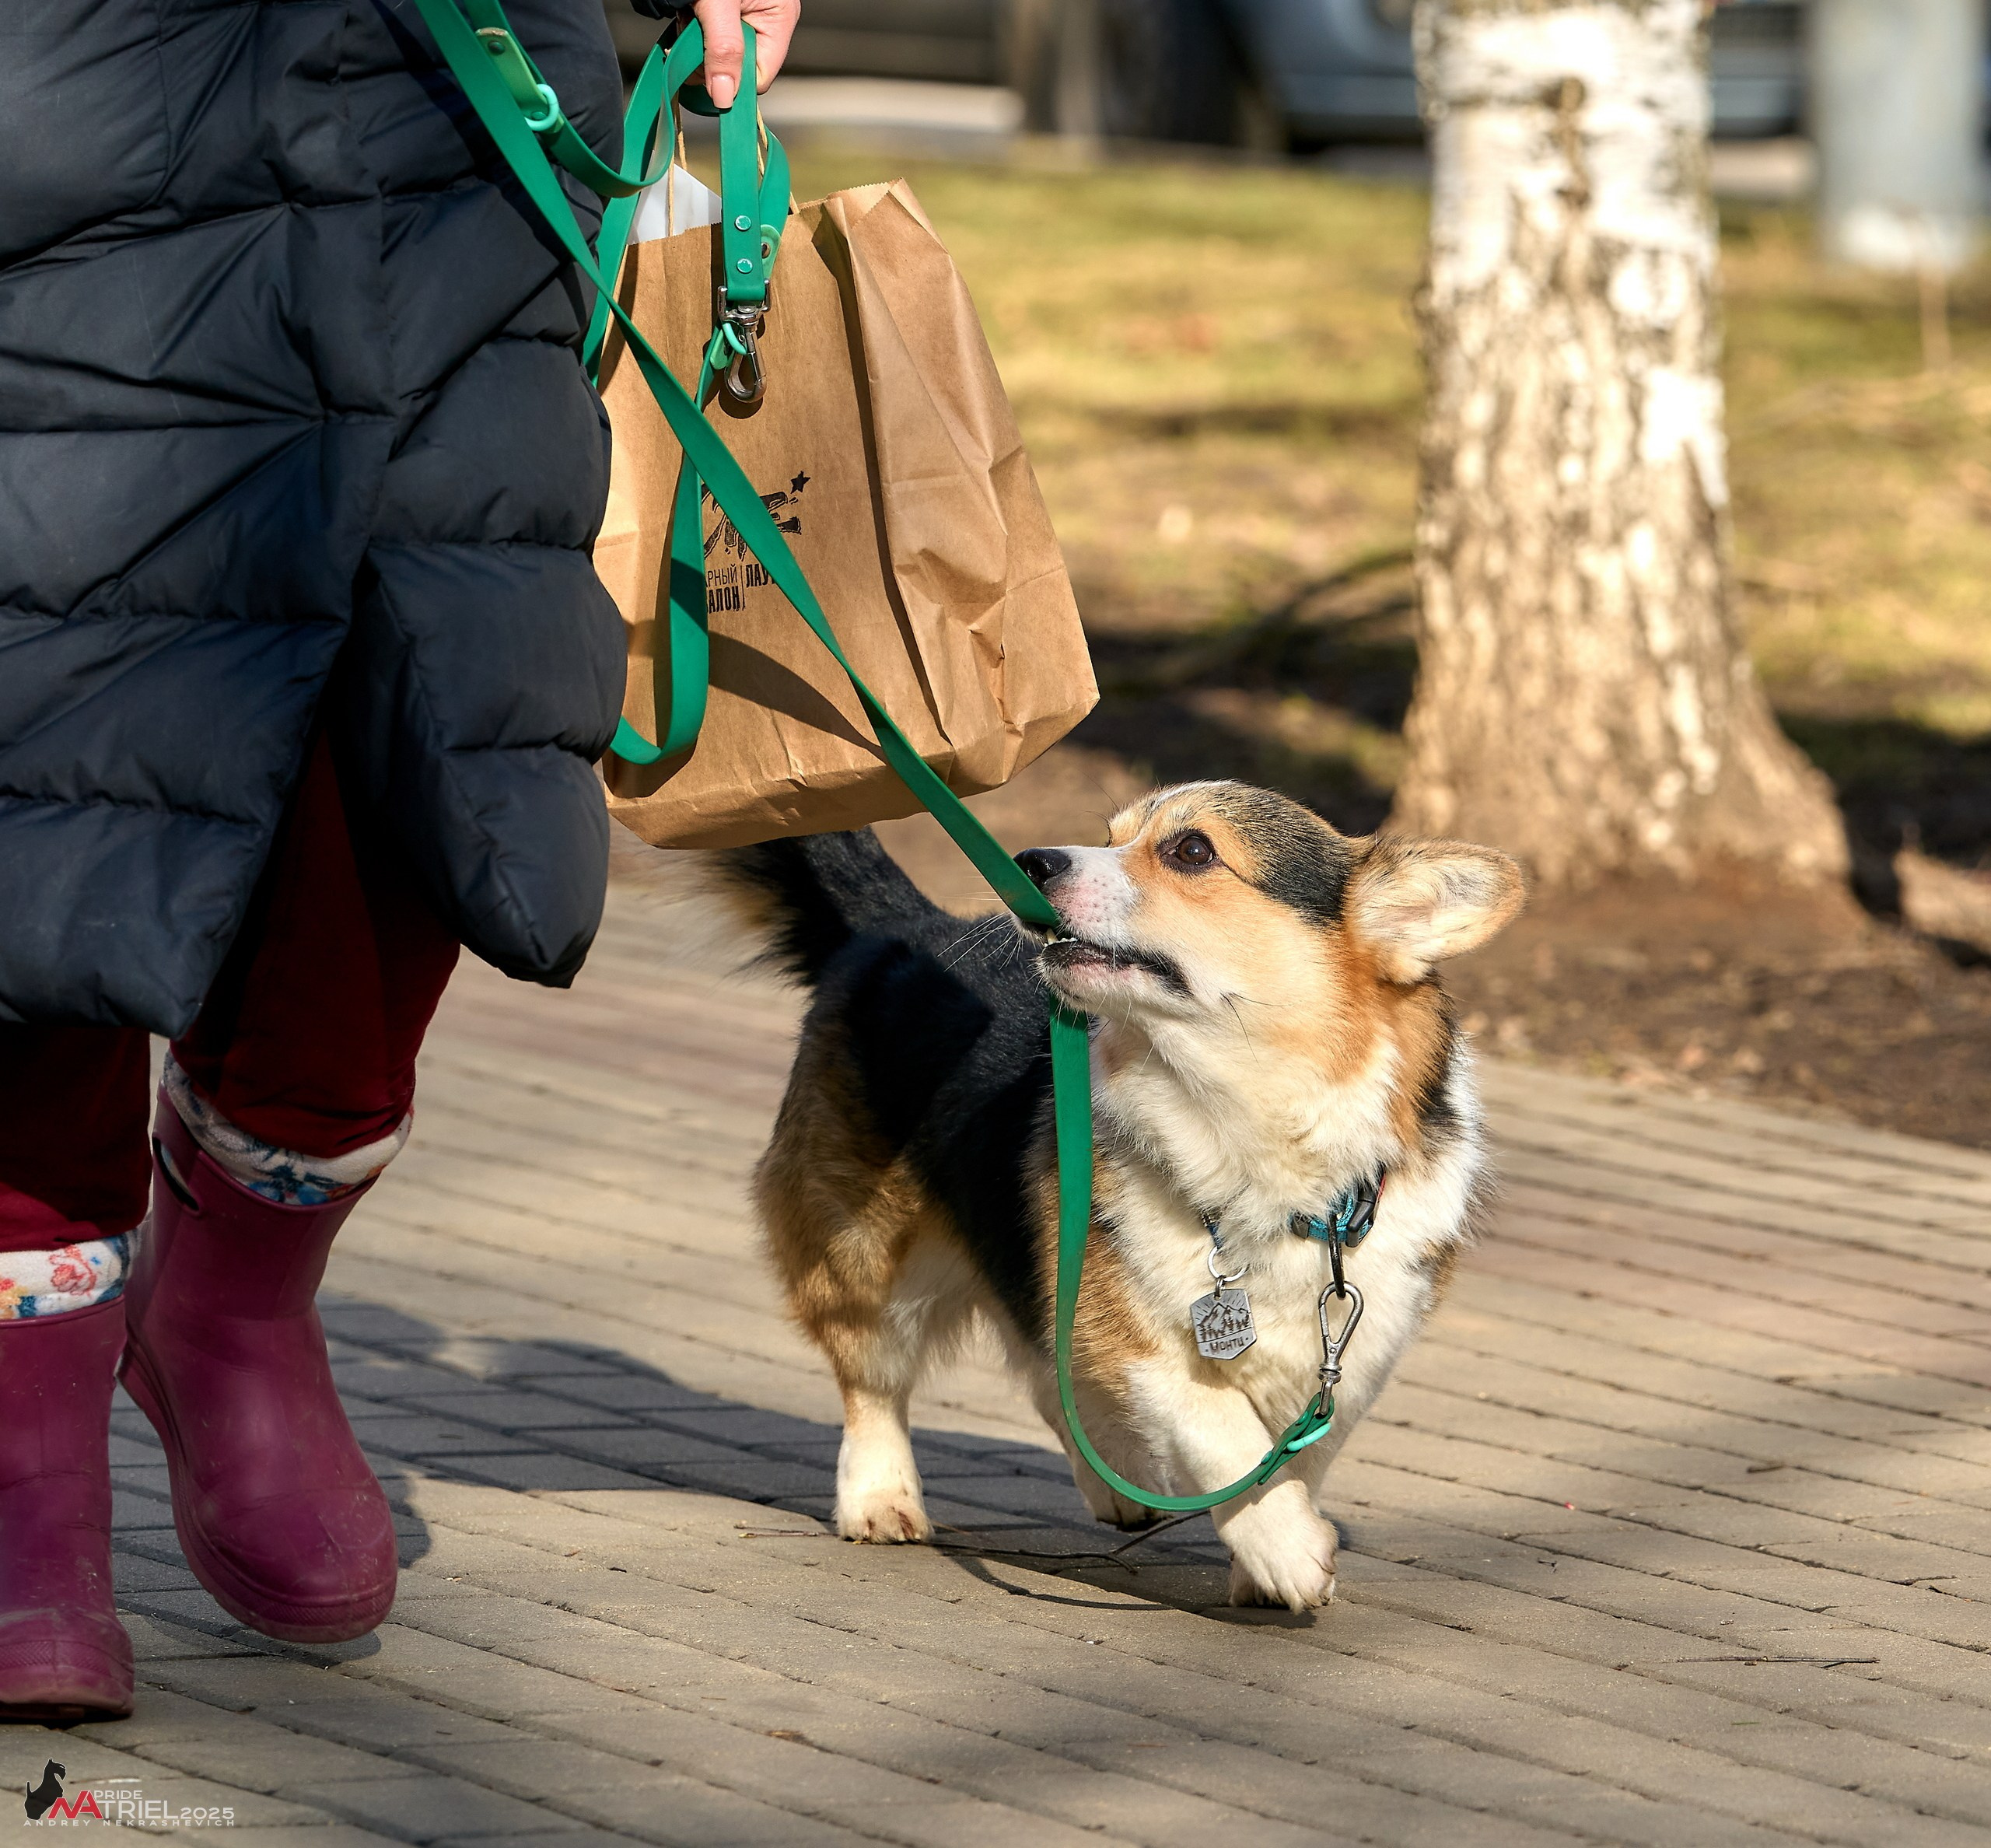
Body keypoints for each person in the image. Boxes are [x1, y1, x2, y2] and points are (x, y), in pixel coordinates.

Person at [0, 0, 798, 1722]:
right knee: (55, 742)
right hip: (73, 87)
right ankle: (27, 1450)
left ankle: (232, 1304)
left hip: (462, 87)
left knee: (442, 725)